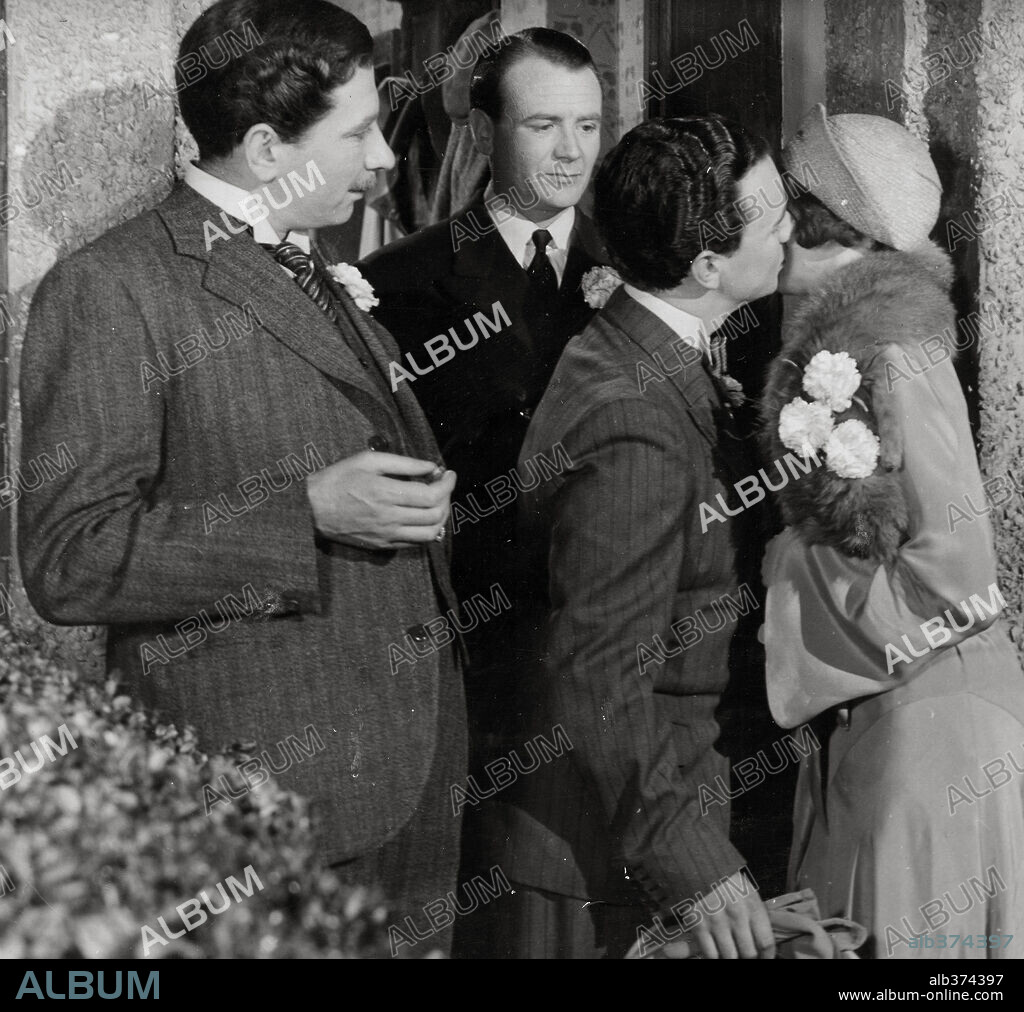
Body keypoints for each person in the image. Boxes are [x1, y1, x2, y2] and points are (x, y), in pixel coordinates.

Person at [18, 0, 466, 954]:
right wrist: (305, 515)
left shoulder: (316, 265)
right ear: (267, 150)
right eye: (358, 133)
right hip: (257, 819)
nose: (384, 157)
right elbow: (69, 559)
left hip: (406, 787)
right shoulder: (113, 289)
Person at [466, 115, 794, 959]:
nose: (793, 230)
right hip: (599, 864)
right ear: (708, 265)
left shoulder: (641, 351)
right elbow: (600, 674)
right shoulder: (635, 426)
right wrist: (693, 865)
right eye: (775, 219)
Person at [760, 104, 1024, 959]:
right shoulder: (863, 337)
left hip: (928, 735)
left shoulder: (884, 350)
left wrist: (785, 575)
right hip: (900, 718)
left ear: (819, 219)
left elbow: (959, 574)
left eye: (776, 201)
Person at [358, 25, 606, 818]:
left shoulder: (638, 265)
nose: (571, 151)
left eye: (588, 125)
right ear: (483, 131)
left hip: (608, 641)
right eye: (543, 125)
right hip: (469, 653)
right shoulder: (397, 282)